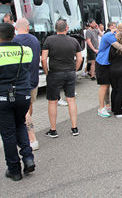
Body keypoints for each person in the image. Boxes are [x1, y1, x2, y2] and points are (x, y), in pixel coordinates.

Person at [0, 23, 35, 181]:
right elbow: (28, 67)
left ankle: (14, 170)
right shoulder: (25, 50)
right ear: (13, 34)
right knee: (20, 123)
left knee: (8, 134)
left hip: (3, 97)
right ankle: (28, 158)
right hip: (23, 95)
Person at [41, 19, 82, 138]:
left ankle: (53, 130)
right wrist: (75, 69)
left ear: (55, 28)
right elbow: (79, 58)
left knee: (53, 102)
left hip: (55, 73)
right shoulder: (74, 41)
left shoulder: (49, 40)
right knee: (71, 100)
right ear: (67, 28)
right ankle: (74, 128)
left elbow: (43, 59)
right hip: (70, 72)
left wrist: (46, 71)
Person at [13, 19, 41, 150]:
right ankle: (27, 128)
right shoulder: (35, 40)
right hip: (33, 79)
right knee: (29, 106)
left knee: (22, 111)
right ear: (28, 27)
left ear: (16, 28)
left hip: (19, 82)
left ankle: (32, 139)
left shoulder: (13, 41)